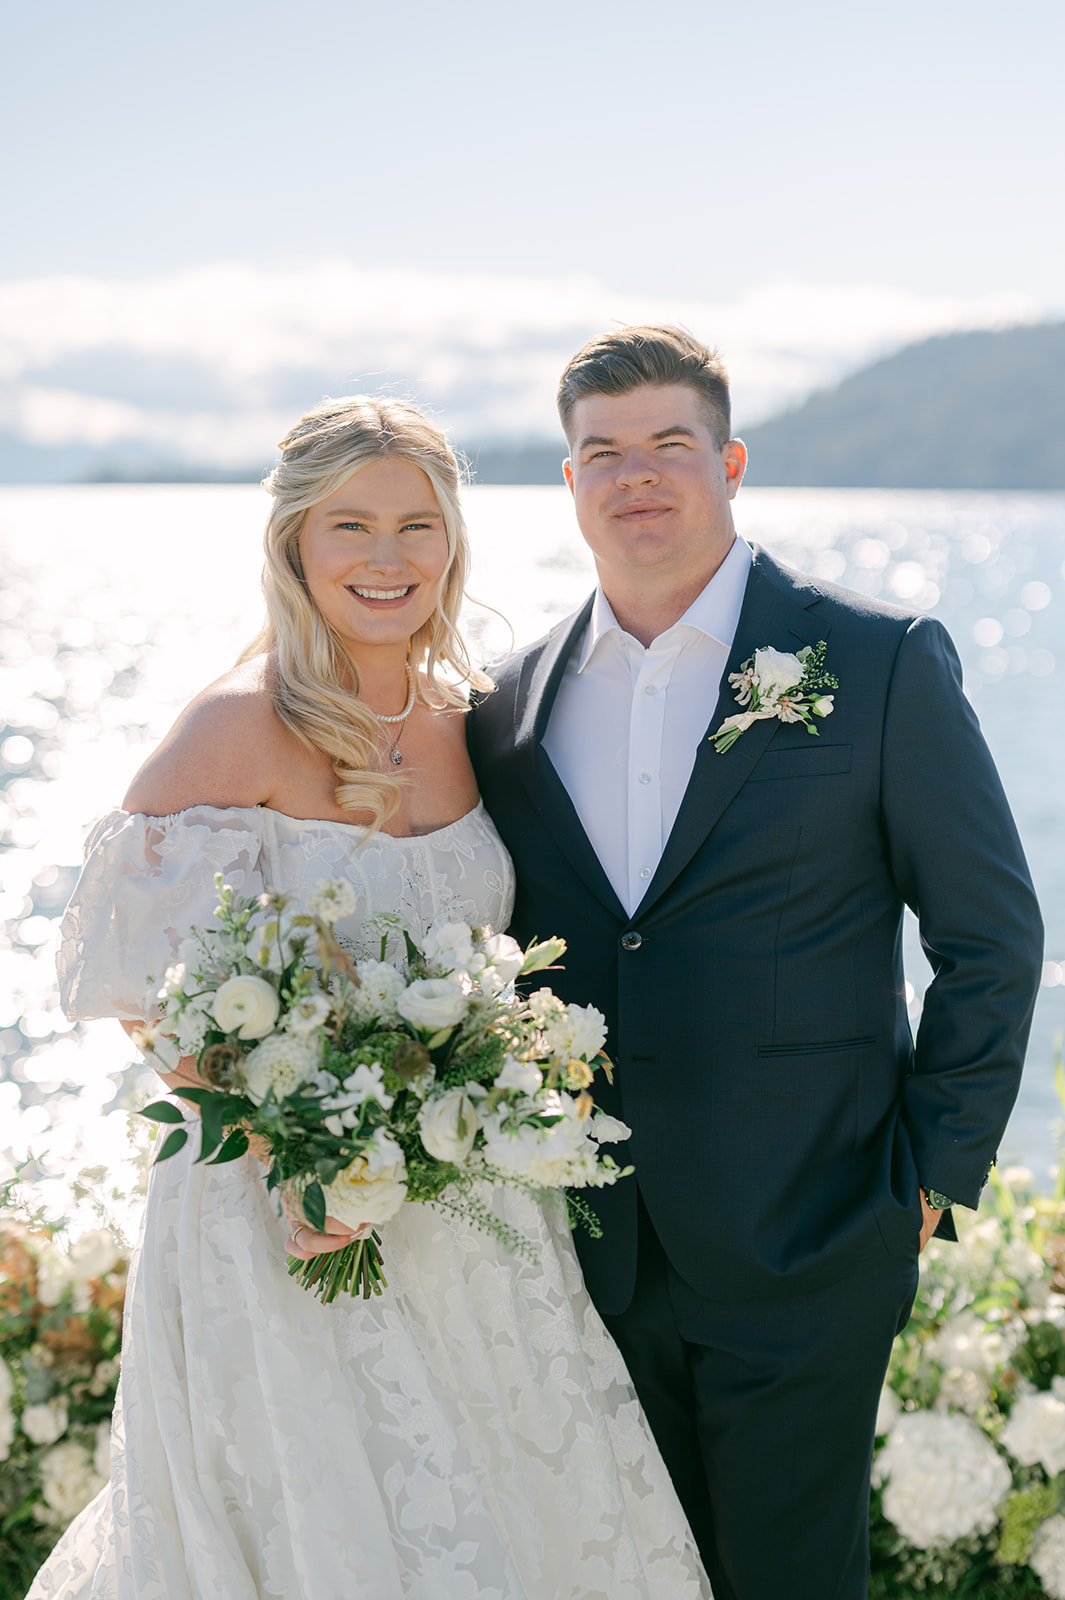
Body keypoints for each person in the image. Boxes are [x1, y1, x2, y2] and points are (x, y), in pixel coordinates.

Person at [30, 396, 711, 1600]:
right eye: (352, 525)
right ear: (296, 542)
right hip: (279, 1215)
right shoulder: (239, 724)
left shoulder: (477, 717)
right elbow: (140, 986)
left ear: (454, 541)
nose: (388, 559)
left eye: (417, 525)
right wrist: (307, 1156)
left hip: (471, 1210)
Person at [467, 325, 1044, 1600]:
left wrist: (932, 1177)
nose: (638, 475)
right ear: (569, 485)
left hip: (812, 1236)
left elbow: (991, 938)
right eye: (601, 451)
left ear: (728, 460)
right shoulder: (507, 709)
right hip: (589, 1252)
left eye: (670, 442)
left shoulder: (880, 662)